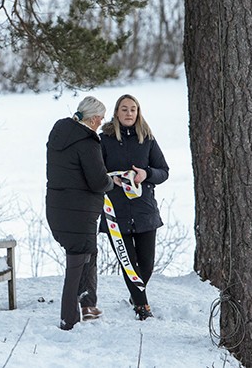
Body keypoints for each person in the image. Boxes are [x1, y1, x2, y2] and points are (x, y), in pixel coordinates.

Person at [45, 96, 114, 331]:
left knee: (88, 255)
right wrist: (110, 182)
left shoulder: (59, 134)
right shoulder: (87, 142)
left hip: (57, 208)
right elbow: (97, 181)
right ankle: (68, 320)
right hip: (80, 212)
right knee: (76, 263)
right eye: (101, 119)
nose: (101, 123)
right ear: (94, 119)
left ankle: (88, 306)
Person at [99, 94, 169, 321]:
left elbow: (163, 171)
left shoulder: (147, 138)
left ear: (138, 113)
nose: (129, 113)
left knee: (146, 265)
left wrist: (145, 174)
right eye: (124, 109)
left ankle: (136, 295)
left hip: (145, 212)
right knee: (128, 263)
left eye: (133, 109)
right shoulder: (104, 140)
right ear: (116, 113)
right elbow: (95, 174)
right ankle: (142, 307)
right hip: (115, 213)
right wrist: (112, 179)